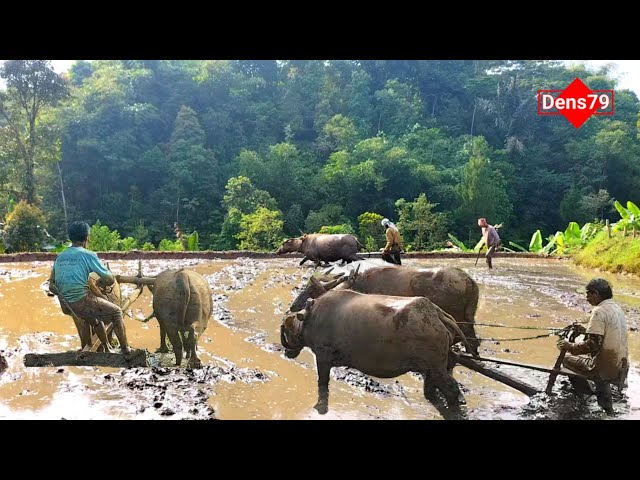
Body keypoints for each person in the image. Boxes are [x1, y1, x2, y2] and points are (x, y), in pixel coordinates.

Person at [48, 221, 131, 354]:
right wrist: (100, 283)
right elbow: (109, 279)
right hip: (82, 302)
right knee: (116, 312)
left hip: (66, 306)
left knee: (95, 321)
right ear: (87, 237)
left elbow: (51, 285)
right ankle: (126, 349)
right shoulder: (88, 255)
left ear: (71, 238)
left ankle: (107, 348)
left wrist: (62, 293)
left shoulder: (60, 257)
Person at [557, 278, 629, 414]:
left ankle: (584, 395)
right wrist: (585, 330)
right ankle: (607, 408)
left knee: (566, 359)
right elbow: (606, 336)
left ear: (596, 294)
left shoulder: (599, 311)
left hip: (604, 368)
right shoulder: (616, 308)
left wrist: (569, 346)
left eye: (588, 294)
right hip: (621, 365)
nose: (587, 298)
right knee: (599, 362)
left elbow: (592, 345)